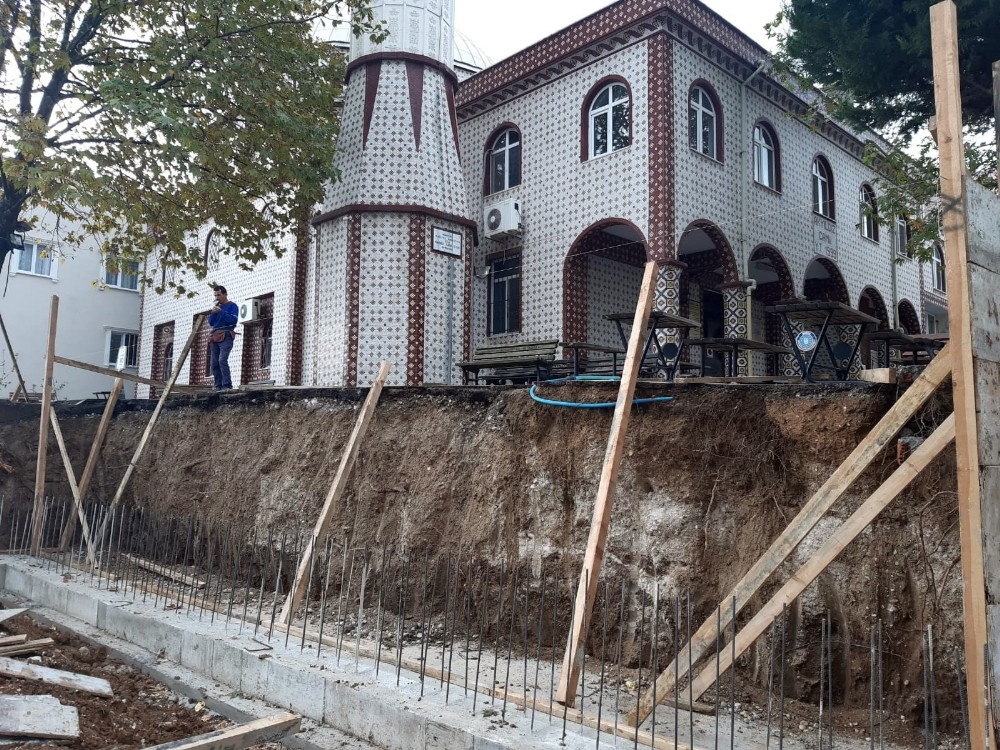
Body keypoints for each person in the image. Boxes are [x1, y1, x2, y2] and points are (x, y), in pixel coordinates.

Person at [207, 285, 239, 390]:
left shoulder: (232, 306)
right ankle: (218, 385)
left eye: (219, 295)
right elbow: (211, 322)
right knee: (214, 363)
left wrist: (221, 312)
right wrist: (213, 312)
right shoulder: (216, 307)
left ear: (225, 294)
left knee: (222, 360)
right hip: (215, 336)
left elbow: (233, 321)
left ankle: (227, 385)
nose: (217, 297)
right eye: (215, 295)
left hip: (226, 335)